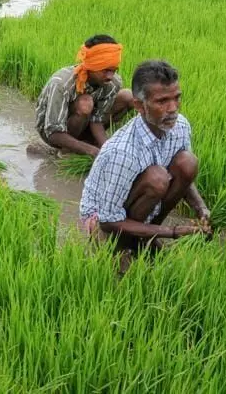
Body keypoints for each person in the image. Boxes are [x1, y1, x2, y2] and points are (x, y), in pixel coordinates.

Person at [79, 60, 212, 264]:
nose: (173, 109)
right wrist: (172, 231)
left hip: (138, 202)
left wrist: (201, 208)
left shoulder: (181, 127)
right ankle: (124, 243)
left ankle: (144, 236)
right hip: (103, 218)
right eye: (162, 101)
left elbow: (183, 178)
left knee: (188, 162)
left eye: (177, 98)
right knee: (157, 178)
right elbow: (108, 220)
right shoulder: (123, 151)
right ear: (139, 106)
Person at [35, 34, 135, 157]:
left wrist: (107, 149)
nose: (110, 76)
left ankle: (86, 143)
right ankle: (66, 149)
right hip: (53, 133)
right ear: (91, 66)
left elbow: (96, 120)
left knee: (127, 96)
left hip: (84, 125)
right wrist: (92, 151)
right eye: (105, 70)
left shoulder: (113, 83)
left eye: (113, 70)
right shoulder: (61, 84)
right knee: (85, 103)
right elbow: (53, 132)